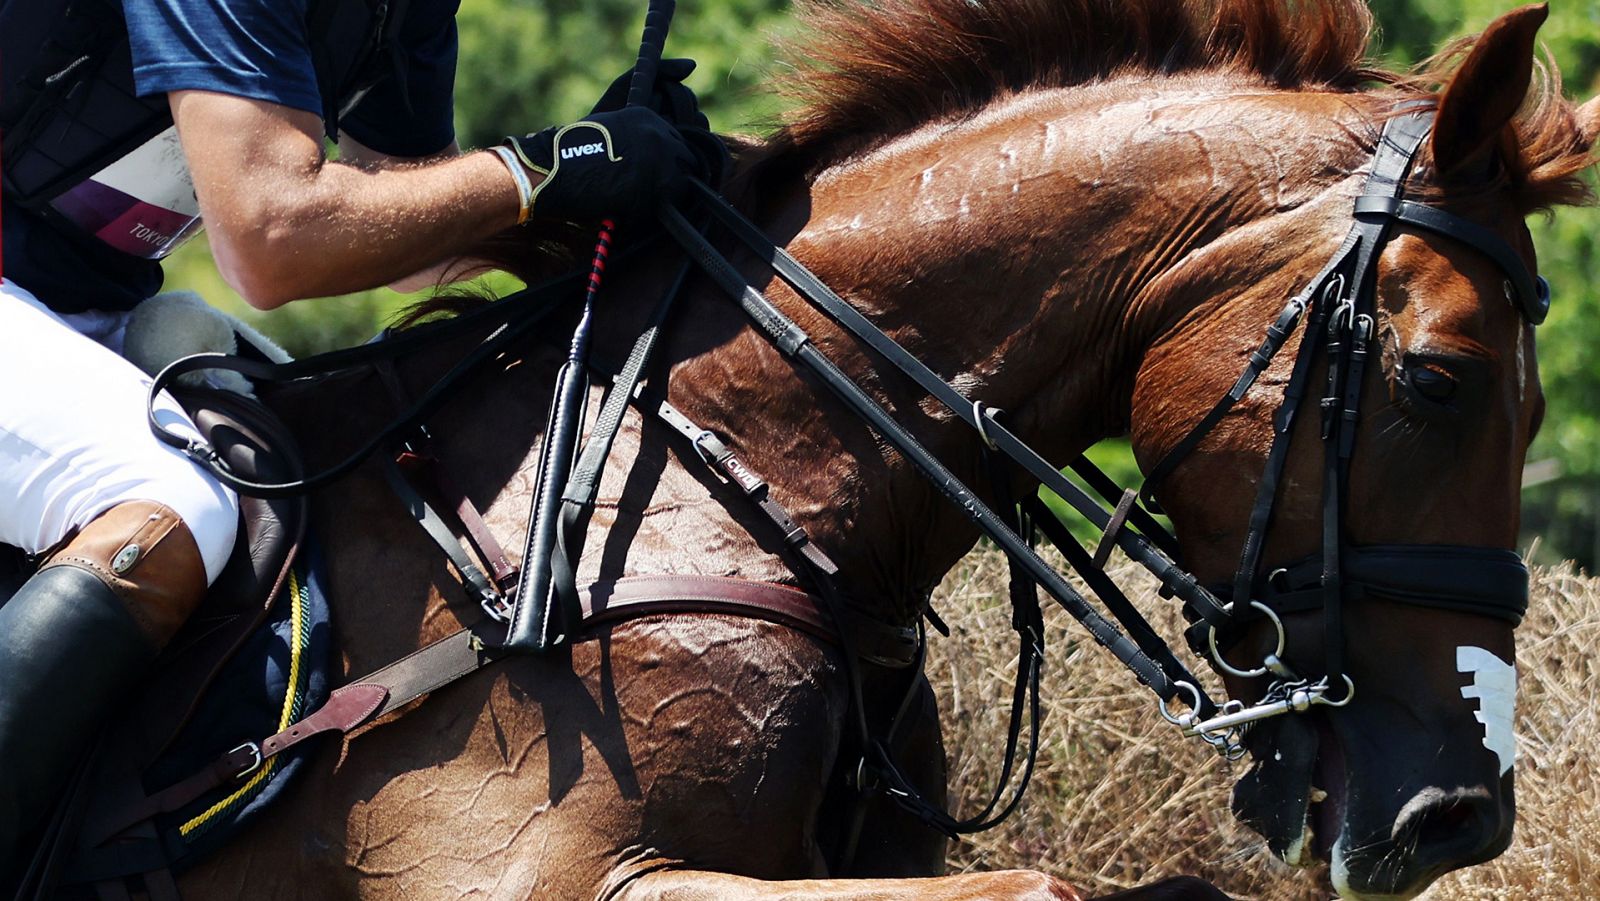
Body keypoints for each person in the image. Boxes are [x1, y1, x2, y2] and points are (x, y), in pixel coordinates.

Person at [0, 0, 717, 874]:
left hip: (83, 306)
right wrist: (538, 170)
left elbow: (403, 227)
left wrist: (582, 186)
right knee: (175, 505)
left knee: (325, 450)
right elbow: (273, 233)